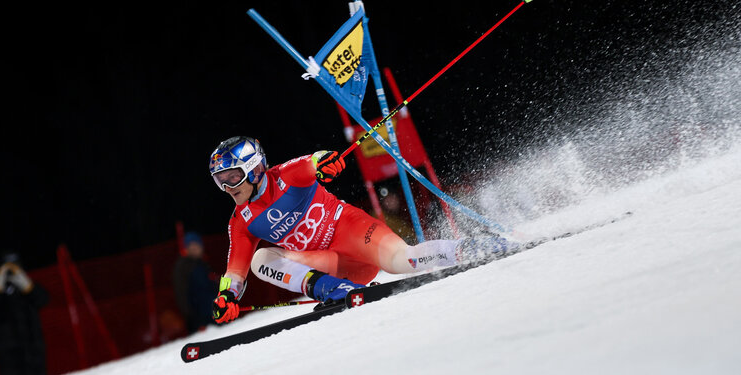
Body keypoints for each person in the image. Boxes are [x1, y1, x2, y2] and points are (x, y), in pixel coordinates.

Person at [208, 136, 519, 324]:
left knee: (404, 261)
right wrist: (227, 297)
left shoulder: (285, 176)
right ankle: (332, 290)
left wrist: (325, 162)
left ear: (255, 168)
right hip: (333, 267)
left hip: (352, 232)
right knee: (261, 260)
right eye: (219, 181)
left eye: (232, 176)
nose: (227, 187)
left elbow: (312, 162)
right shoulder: (241, 220)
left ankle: (469, 249)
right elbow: (235, 272)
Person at [0, 252, 49, 375]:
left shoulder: (26, 287)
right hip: (7, 350)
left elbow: (42, 299)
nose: (11, 271)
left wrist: (24, 281)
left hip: (32, 345)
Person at [172, 232, 218, 334]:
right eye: (191, 245)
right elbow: (181, 293)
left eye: (197, 245)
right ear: (186, 248)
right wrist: (192, 317)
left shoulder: (203, 264)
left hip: (214, 313)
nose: (195, 248)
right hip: (199, 319)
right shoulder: (184, 266)